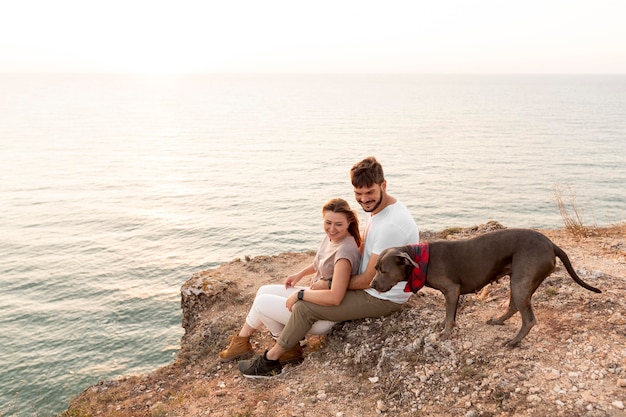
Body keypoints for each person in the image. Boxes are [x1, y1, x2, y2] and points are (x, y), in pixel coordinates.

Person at [238, 156, 419, 378]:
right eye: (358, 194)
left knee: (304, 306)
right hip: (372, 288)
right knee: (275, 293)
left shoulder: (391, 224)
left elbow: (370, 280)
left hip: (383, 296)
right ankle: (252, 342)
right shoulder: (378, 212)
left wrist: (329, 284)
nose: (364, 199)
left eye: (369, 192)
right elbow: (363, 252)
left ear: (383, 185)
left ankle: (270, 361)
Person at [218, 198, 362, 365]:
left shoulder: (345, 251)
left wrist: (301, 294)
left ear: (349, 221)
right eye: (328, 222)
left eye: (338, 224)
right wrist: (299, 274)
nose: (332, 228)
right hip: (316, 300)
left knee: (261, 303)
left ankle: (287, 347)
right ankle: (242, 342)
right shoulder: (332, 237)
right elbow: (320, 263)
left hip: (323, 316)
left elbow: (335, 297)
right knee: (263, 291)